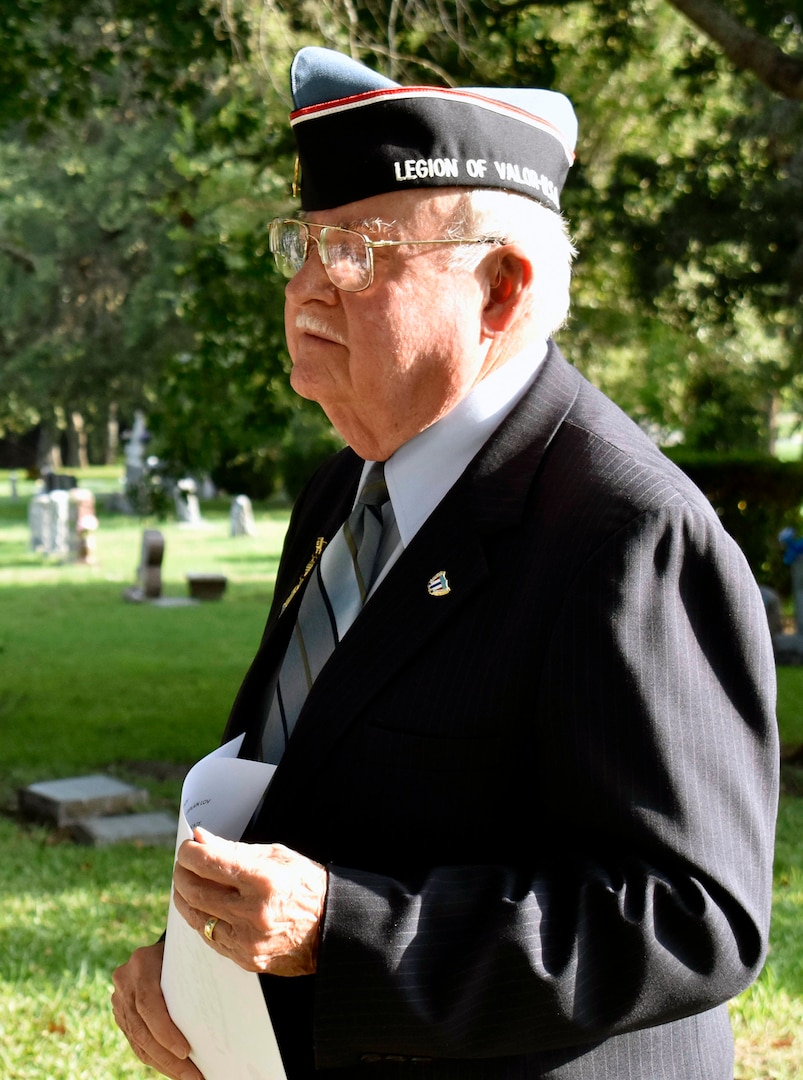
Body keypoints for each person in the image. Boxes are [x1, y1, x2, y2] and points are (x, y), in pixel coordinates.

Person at [112, 46, 779, 1080]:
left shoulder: (625, 531)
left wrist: (344, 933)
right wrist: (208, 977)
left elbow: (690, 918)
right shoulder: (343, 490)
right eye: (300, 244)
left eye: (358, 253)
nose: (304, 290)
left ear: (500, 290)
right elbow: (295, 786)